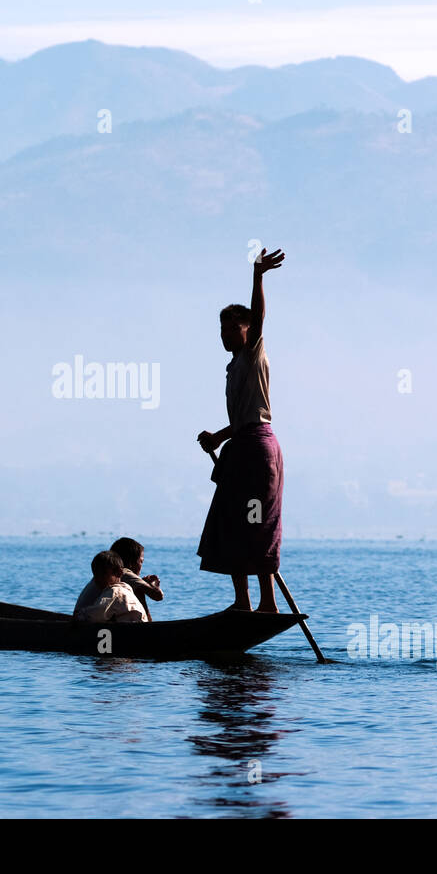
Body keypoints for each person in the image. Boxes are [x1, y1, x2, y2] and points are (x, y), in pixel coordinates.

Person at [197, 247, 286, 612]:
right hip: (241, 448)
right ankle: (242, 603)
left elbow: (260, 316)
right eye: (223, 328)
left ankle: (268, 603)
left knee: (256, 521)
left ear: (249, 332)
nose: (227, 333)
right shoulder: (234, 368)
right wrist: (218, 437)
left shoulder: (253, 353)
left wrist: (257, 276)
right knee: (232, 522)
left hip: (259, 451)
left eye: (235, 327)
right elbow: (241, 420)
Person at [72, 551, 148, 623]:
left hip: (134, 631)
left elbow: (97, 613)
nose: (98, 579)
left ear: (119, 573)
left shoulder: (114, 591)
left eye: (103, 574)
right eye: (96, 575)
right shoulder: (126, 589)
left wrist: (80, 615)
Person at [103, 536, 163, 619]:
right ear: (131, 563)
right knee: (138, 590)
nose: (142, 566)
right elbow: (158, 596)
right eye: (141, 561)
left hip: (86, 620)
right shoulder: (124, 572)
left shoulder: (106, 573)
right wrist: (154, 585)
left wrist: (142, 583)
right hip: (96, 625)